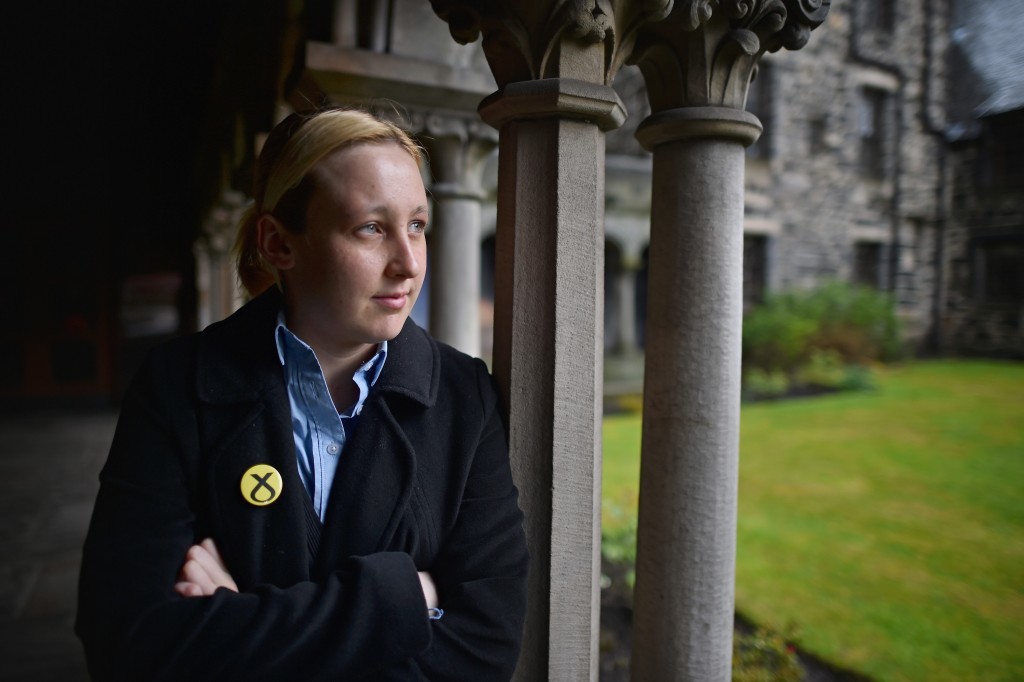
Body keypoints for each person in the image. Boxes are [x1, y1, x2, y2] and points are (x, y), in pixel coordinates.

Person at [76, 107, 529, 680]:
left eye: (416, 224)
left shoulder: (466, 398)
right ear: (279, 243)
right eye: (371, 227)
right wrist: (402, 600)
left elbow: (484, 648)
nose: (408, 264)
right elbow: (129, 643)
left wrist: (237, 618)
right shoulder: (178, 387)